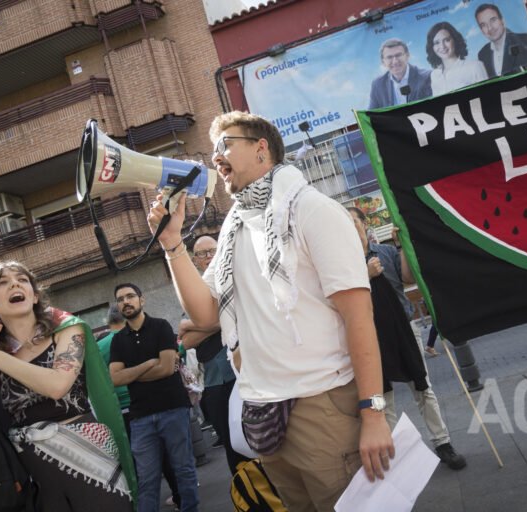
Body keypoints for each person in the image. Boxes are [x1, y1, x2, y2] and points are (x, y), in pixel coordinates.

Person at [148, 111, 393, 511]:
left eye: (225, 145)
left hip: (323, 407)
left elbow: (359, 318)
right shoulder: (234, 227)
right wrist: (172, 242)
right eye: (213, 150)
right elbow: (207, 314)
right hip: (267, 416)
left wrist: (373, 413)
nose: (215, 158)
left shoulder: (312, 210)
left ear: (261, 148)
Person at [0, 261, 133, 511]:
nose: (14, 284)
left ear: (34, 295)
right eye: (2, 282)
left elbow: (57, 386)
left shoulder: (66, 330)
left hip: (92, 459)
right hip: (35, 476)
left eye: (22, 279)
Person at [347, 207, 466, 470]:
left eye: (352, 221)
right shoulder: (343, 264)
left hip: (404, 330)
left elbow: (408, 277)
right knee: (382, 398)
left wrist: (402, 246)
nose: (348, 228)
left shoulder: (387, 253)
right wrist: (364, 275)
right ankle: (398, 456)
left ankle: (443, 442)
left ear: (364, 224)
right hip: (370, 339)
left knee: (422, 387)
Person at [109, 283, 199, 512]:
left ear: (141, 300)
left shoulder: (160, 327)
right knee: (147, 479)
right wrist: (150, 363)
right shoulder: (118, 340)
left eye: (130, 296)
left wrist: (133, 373)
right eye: (120, 299)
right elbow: (115, 379)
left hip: (173, 409)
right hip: (140, 416)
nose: (125, 302)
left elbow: (167, 369)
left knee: (184, 469)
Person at [179, 235, 250, 475]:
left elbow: (242, 311)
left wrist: (196, 324)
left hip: (244, 371)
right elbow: (186, 340)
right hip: (215, 382)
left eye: (213, 251)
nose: (209, 257)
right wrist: (220, 319)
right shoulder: (193, 296)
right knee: (232, 444)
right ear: (196, 261)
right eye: (202, 254)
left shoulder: (236, 280)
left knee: (259, 435)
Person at [475, 3, 527, 78]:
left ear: (502, 21)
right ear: (481, 30)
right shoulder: (482, 54)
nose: (490, 28)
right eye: (483, 25)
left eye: (493, 20)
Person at [425, 21, 488, 95]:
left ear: (455, 40)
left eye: (446, 40)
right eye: (437, 42)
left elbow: (487, 95)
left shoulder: (475, 66)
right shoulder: (434, 75)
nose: (442, 46)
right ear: (432, 47)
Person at [369, 38, 432, 109]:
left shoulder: (426, 77)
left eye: (398, 55)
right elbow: (372, 114)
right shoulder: (378, 84)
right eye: (389, 57)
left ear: (407, 55)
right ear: (383, 62)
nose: (395, 61)